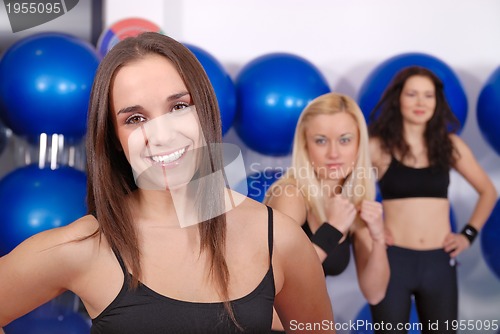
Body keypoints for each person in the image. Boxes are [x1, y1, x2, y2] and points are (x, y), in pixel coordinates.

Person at [0, 32, 336, 333]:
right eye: (136, 119)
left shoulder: (279, 238)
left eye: (178, 107)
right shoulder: (85, 247)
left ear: (205, 109)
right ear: (115, 138)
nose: (162, 135)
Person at [368, 66, 497, 334]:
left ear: (437, 102)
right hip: (393, 261)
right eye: (412, 94)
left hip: (439, 262)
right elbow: (347, 193)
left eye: (428, 95)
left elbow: (488, 191)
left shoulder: (450, 146)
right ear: (398, 98)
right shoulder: (378, 147)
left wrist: (468, 235)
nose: (420, 102)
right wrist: (372, 231)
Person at [264, 92, 390, 333]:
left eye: (344, 140)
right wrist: (331, 230)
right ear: (305, 146)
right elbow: (271, 283)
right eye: (321, 140)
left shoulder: (351, 201)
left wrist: (378, 237)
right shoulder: (291, 195)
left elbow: (375, 292)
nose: (334, 153)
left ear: (358, 144)